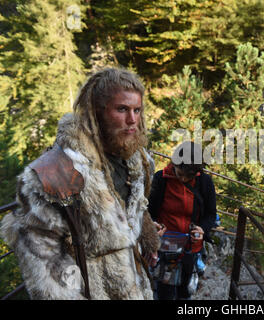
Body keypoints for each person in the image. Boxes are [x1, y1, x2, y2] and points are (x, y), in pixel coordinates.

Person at [0, 68, 161, 299]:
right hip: (93, 289)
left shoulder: (137, 160)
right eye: (122, 109)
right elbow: (43, 260)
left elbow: (134, 207)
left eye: (137, 110)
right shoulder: (58, 170)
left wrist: (145, 234)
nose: (132, 120)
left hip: (136, 284)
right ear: (97, 111)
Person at [148, 141, 217, 300]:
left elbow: (210, 215)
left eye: (189, 176)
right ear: (174, 164)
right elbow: (149, 211)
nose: (184, 179)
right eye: (180, 174)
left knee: (184, 291)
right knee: (164, 289)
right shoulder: (161, 179)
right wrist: (152, 224)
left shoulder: (204, 182)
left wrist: (202, 229)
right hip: (166, 247)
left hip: (190, 247)